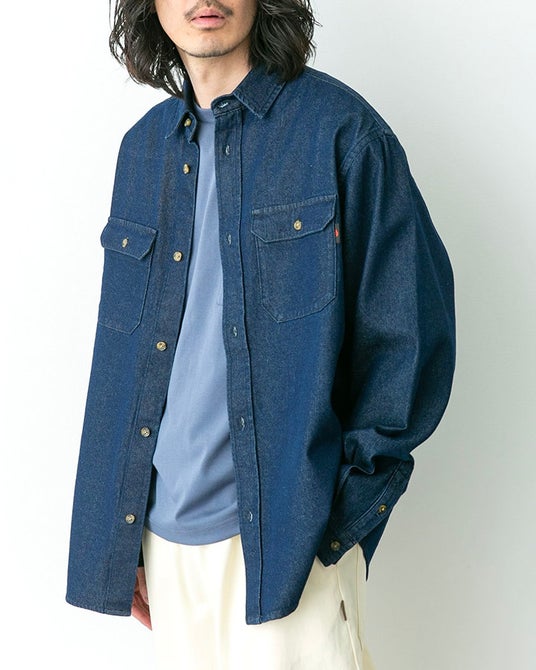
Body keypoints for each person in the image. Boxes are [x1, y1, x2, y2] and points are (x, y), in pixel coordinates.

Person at [66, 1, 456, 668]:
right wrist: (119, 537)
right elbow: (126, 361)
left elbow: (410, 340)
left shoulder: (341, 132)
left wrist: (339, 522)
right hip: (165, 549)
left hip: (291, 547)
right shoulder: (143, 151)